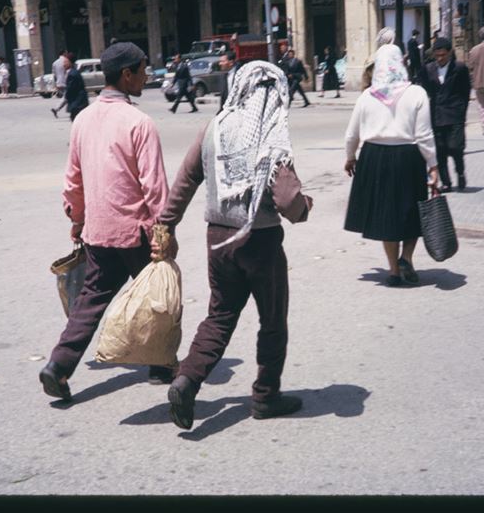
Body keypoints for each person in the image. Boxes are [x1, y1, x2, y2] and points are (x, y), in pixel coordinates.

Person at [153, 60, 313, 430]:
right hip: (260, 241)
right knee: (272, 320)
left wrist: (166, 224)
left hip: (218, 239)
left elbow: (186, 180)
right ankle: (265, 396)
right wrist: (304, 208)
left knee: (220, 315)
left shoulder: (214, 127)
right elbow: (289, 202)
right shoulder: (270, 135)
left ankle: (186, 381)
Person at [39, 42, 174, 401]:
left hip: (99, 230)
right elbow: (155, 186)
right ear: (127, 75)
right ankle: (160, 364)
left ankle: (58, 366)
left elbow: (73, 180)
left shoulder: (83, 119)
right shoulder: (140, 123)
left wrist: (78, 220)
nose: (147, 76)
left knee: (91, 299)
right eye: (143, 70)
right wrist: (163, 232)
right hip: (136, 231)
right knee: (156, 297)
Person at [343, 44, 439, 287]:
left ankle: (394, 271)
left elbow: (351, 134)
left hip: (375, 158)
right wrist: (433, 165)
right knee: (411, 212)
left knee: (387, 216)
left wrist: (350, 156)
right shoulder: (416, 93)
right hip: (408, 157)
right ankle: (406, 257)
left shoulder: (367, 96)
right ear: (401, 64)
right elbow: (425, 134)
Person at [418, 37, 471, 193]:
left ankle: (460, 172)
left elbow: (465, 92)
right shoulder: (428, 69)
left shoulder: (460, 68)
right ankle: (446, 182)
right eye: (437, 55)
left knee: (455, 147)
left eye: (443, 55)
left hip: (455, 115)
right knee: (440, 150)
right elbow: (424, 89)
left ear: (449, 53)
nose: (440, 58)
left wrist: (461, 112)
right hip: (437, 115)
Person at [61, 52, 89, 121]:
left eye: (65, 62)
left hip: (77, 104)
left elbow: (70, 90)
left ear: (70, 62)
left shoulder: (72, 74)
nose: (63, 64)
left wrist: (66, 96)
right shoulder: (74, 72)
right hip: (79, 103)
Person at [50, 50, 68, 118]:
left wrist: (55, 84)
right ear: (63, 53)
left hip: (59, 82)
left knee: (66, 97)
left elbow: (54, 74)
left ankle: (57, 109)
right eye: (66, 53)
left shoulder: (54, 63)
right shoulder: (66, 61)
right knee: (66, 97)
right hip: (66, 82)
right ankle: (56, 109)